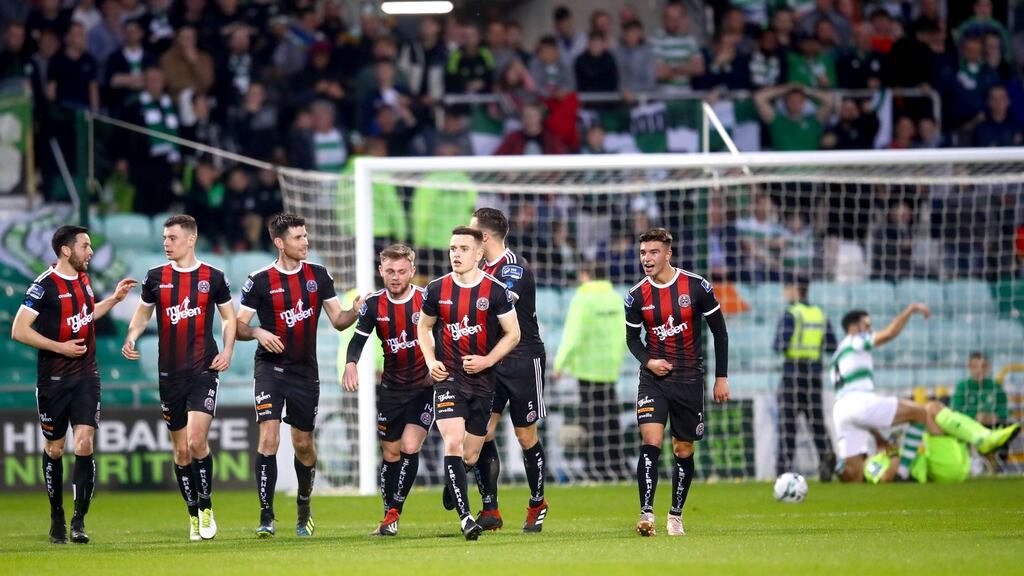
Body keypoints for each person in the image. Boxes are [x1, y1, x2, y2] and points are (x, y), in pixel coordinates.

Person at [235, 213, 361, 538]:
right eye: (298, 238)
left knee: (303, 444)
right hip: (270, 369)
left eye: (305, 236)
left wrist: (357, 310)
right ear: (279, 242)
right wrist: (259, 332)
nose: (305, 242)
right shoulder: (260, 280)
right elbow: (237, 325)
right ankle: (266, 516)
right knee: (269, 438)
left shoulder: (318, 275)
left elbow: (339, 320)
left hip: (305, 371)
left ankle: (304, 506)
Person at [11, 226, 135, 544]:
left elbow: (86, 316)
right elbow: (19, 330)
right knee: (55, 449)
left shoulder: (83, 280)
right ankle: (57, 515)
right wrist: (60, 347)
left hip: (86, 375)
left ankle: (79, 522)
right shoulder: (43, 286)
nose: (90, 251)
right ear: (66, 250)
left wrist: (114, 299)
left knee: (84, 444)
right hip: (53, 379)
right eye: (85, 246)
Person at [120, 214, 236, 541]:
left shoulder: (213, 277)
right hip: (169, 374)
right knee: (181, 452)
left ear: (190, 239)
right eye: (164, 238)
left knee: (197, 441)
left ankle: (207, 506)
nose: (166, 243)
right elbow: (141, 316)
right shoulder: (155, 278)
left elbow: (228, 319)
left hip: (203, 370)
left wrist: (227, 351)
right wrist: (131, 336)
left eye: (172, 237)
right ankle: (192, 513)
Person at [831, 307, 1020, 483]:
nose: (870, 329)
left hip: (840, 408)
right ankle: (903, 473)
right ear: (854, 327)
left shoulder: (837, 355)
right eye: (867, 325)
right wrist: (911, 309)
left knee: (853, 474)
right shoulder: (855, 340)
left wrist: (881, 440)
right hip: (859, 401)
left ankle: (835, 467)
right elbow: (889, 334)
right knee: (921, 413)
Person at [624, 228, 730, 537]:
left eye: (654, 252)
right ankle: (646, 513)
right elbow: (632, 340)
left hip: (688, 380)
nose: (647, 258)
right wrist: (649, 361)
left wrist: (720, 377)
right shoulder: (635, 296)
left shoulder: (696, 287)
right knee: (651, 441)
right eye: (643, 253)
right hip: (653, 381)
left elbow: (719, 333)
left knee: (683, 449)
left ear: (668, 253)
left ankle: (675, 515)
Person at [417, 226, 520, 541]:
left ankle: (454, 482)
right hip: (448, 378)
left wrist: (488, 360)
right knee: (452, 442)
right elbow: (424, 328)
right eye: (452, 248)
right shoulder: (435, 289)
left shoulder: (495, 290)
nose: (456, 254)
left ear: (478, 253)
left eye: (463, 249)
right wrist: (431, 361)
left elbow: (514, 334)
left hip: (483, 380)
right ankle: (466, 518)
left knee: (471, 455)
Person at [468, 208, 549, 532]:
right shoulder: (482, 267)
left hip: (522, 359)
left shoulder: (513, 269)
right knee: (482, 431)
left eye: (471, 233)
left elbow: (493, 308)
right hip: (492, 360)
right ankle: (491, 510)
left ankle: (537, 502)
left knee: (524, 435)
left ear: (484, 237)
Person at [342, 244, 431, 537]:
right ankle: (388, 516)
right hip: (392, 389)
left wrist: (439, 366)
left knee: (409, 446)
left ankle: (394, 512)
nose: (395, 277)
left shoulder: (426, 300)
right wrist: (351, 364)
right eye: (390, 271)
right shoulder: (372, 305)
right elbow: (358, 340)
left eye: (402, 271)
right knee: (391, 454)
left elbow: (444, 335)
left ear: (412, 272)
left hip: (424, 387)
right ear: (381, 271)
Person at [553, 263, 628, 481]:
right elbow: (625, 332)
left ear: (585, 274)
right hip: (610, 367)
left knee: (592, 419)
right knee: (611, 418)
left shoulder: (583, 298)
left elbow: (573, 335)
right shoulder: (615, 297)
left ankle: (596, 467)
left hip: (588, 369)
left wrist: (560, 365)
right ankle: (617, 464)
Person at [772, 277, 837, 481]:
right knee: (816, 421)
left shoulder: (791, 314)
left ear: (793, 290)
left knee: (787, 425)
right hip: (813, 375)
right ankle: (827, 457)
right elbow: (831, 345)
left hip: (793, 374)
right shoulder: (819, 314)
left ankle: (783, 471)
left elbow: (779, 345)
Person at [952, 352, 1008, 428]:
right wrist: (975, 416)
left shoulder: (996, 386)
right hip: (969, 428)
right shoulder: (962, 387)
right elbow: (955, 410)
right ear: (969, 367)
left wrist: (996, 417)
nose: (979, 370)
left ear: (988, 367)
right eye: (975, 366)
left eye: (983, 366)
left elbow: (1005, 410)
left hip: (993, 427)